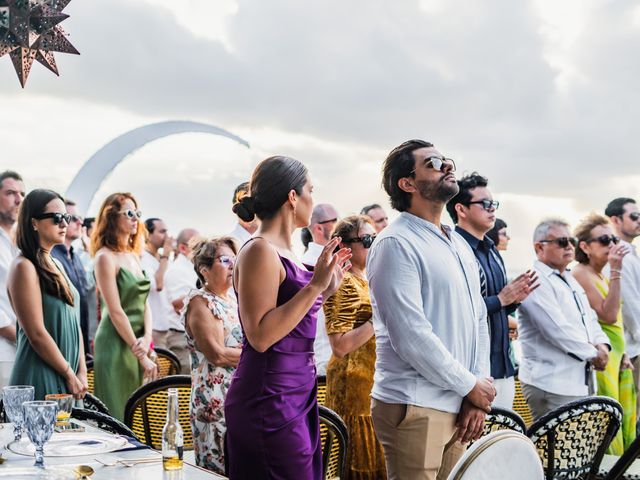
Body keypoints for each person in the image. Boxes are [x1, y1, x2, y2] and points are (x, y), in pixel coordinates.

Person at [368, 140, 494, 480]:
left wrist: (476, 390)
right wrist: (469, 385)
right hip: (415, 404)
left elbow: (478, 319)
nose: (447, 167)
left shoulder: (457, 243)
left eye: (447, 160)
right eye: (434, 163)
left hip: (460, 403)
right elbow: (411, 335)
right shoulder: (396, 243)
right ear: (407, 184)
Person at [225, 156, 350, 479]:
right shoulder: (259, 250)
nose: (313, 197)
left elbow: (292, 318)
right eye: (310, 189)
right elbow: (261, 335)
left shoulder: (286, 252)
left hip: (298, 388)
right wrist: (316, 287)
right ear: (293, 197)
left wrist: (326, 290)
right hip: (269, 393)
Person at [446, 173, 537, 409]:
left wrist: (515, 299)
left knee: (501, 442)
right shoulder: (453, 250)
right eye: (484, 204)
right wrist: (501, 298)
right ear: (461, 209)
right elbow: (456, 310)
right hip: (471, 372)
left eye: (493, 203)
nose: (492, 209)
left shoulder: (492, 249)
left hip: (503, 365)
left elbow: (500, 305)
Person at [518, 219, 610, 420]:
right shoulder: (535, 280)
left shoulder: (569, 278)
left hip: (577, 381)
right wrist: (594, 354)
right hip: (551, 383)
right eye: (561, 242)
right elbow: (556, 330)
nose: (569, 246)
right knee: (556, 449)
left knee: (577, 447)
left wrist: (603, 345)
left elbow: (590, 319)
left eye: (572, 241)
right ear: (539, 247)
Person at [8, 189, 87, 400]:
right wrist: (69, 373)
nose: (64, 224)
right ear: (34, 223)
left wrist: (81, 370)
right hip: (40, 372)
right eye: (57, 218)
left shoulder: (57, 264)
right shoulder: (23, 266)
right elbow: (36, 334)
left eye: (67, 218)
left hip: (68, 373)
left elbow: (74, 321)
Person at [324, 214, 386, 480]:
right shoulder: (345, 282)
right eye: (368, 239)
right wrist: (378, 320)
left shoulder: (365, 278)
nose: (374, 245)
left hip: (370, 382)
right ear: (346, 247)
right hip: (352, 388)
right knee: (358, 462)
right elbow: (339, 345)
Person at [572, 213, 635, 453]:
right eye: (604, 240)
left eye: (613, 239)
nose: (611, 244)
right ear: (586, 247)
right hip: (603, 359)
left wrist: (625, 353)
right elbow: (607, 315)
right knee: (610, 423)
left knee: (624, 418)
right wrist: (617, 270)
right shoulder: (581, 273)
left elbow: (616, 321)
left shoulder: (600, 273)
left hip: (617, 355)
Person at [91, 193, 158, 421]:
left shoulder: (133, 255)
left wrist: (147, 339)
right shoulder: (104, 257)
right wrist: (139, 352)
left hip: (138, 341)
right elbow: (115, 310)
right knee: (117, 412)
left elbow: (145, 303)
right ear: (111, 217)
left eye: (138, 214)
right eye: (129, 213)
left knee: (137, 413)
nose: (135, 219)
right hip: (116, 344)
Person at [182, 236, 242, 474]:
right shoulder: (201, 302)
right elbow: (217, 354)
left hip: (239, 395)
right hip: (213, 401)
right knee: (217, 470)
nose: (232, 265)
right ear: (204, 269)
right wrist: (262, 353)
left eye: (235, 260)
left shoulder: (233, 299)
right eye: (225, 260)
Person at [605, 198, 640, 418]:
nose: (639, 221)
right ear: (616, 220)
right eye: (634, 216)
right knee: (632, 413)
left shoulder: (631, 252)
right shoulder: (620, 253)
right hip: (633, 348)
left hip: (634, 345)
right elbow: (628, 303)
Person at [301, 203, 339, 377]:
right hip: (323, 361)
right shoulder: (309, 263)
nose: (340, 224)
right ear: (318, 228)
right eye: (334, 221)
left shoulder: (335, 259)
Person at [51, 199, 90, 356]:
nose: (80, 222)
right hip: (62, 345)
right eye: (73, 218)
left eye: (79, 217)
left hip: (81, 342)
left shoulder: (76, 258)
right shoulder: (51, 257)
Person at [163, 228, 199, 374]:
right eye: (197, 244)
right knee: (185, 385)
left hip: (191, 336)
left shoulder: (191, 268)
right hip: (181, 338)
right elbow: (179, 305)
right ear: (183, 248)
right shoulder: (177, 270)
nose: (202, 248)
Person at [0, 171, 24, 388]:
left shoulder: (17, 242)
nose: (19, 200)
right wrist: (19, 334)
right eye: (11, 193)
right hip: (3, 350)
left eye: (22, 194)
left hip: (22, 348)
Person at [141, 218, 175, 347]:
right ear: (147, 235)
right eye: (162, 232)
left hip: (169, 325)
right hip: (154, 326)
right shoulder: (142, 258)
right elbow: (157, 285)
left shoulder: (163, 259)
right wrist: (166, 255)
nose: (167, 237)